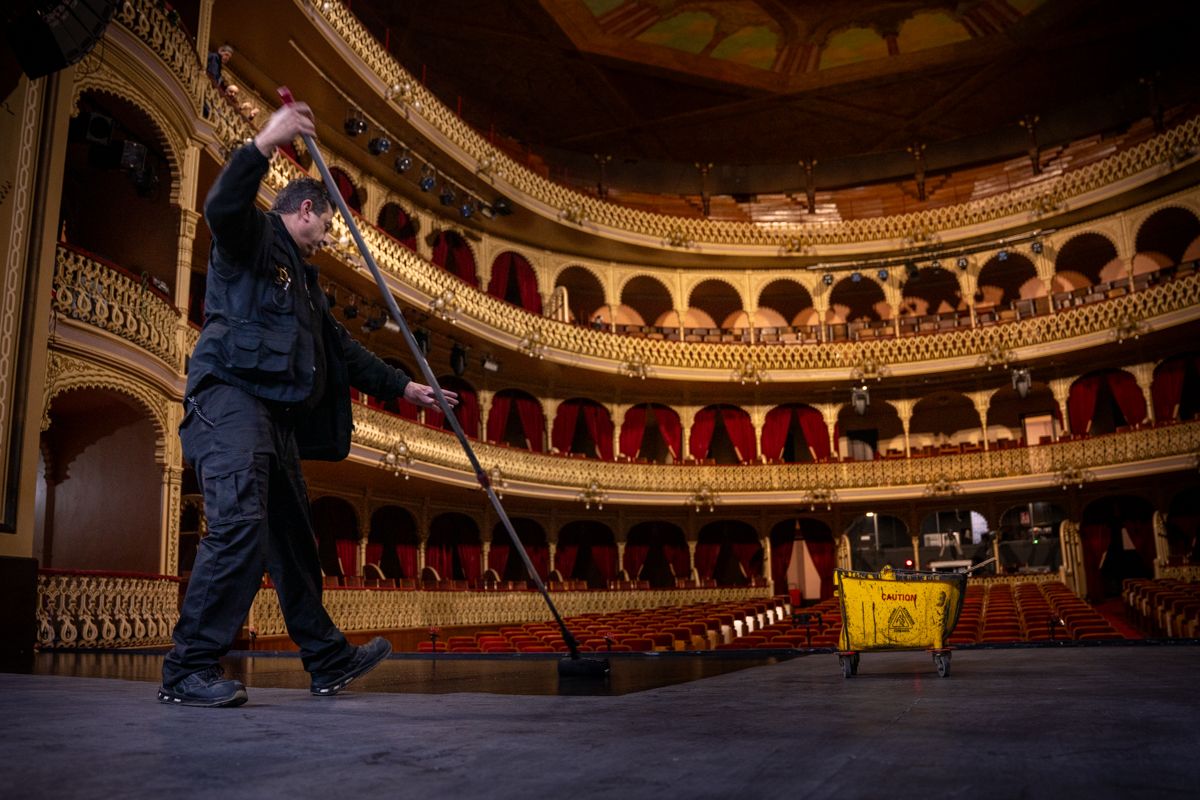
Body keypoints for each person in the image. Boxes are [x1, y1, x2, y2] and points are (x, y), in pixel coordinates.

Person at [159, 102, 457, 707]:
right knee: (240, 527)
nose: (327, 238)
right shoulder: (253, 240)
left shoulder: (305, 283)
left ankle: (326, 659)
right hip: (231, 397)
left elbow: (341, 350)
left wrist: (405, 388)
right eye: (325, 226)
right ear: (304, 211)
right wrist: (266, 140)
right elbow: (220, 208)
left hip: (275, 417)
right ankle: (187, 670)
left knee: (295, 543)